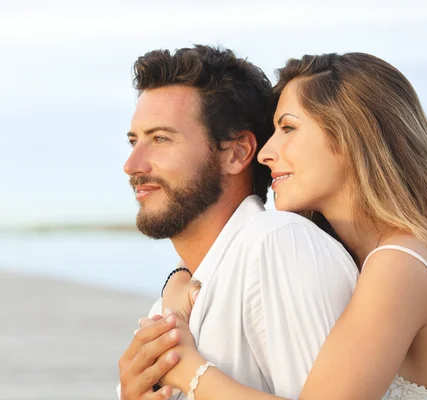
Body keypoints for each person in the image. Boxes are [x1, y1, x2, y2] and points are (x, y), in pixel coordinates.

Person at [135, 53, 427, 399]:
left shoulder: (401, 263)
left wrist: (189, 370)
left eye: (288, 128)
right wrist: (181, 280)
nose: (266, 153)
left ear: (352, 136)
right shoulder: (377, 258)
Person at [116, 46, 359, 400]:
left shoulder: (277, 247)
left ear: (237, 153)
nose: (133, 164)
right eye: (134, 141)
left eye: (161, 139)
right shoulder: (171, 304)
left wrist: (194, 375)